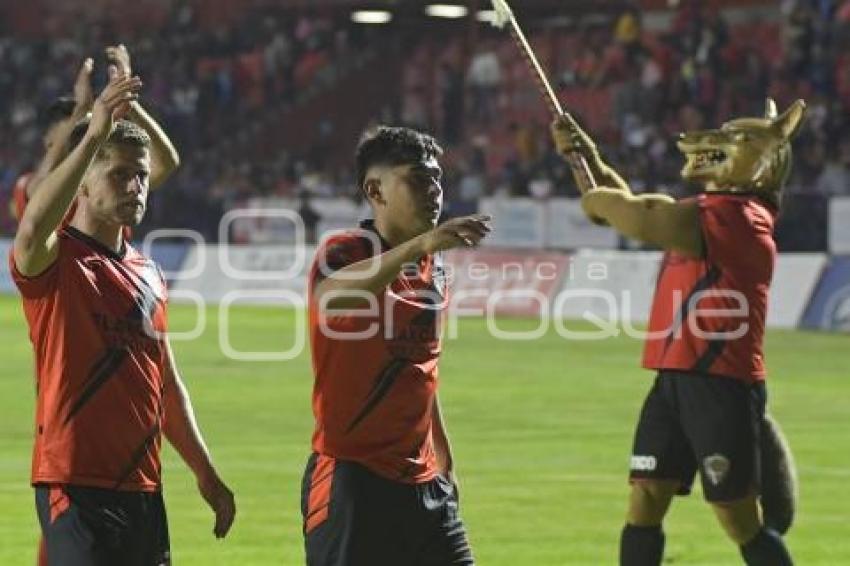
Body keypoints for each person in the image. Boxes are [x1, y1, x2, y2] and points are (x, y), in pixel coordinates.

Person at [552, 98, 806, 566]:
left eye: (738, 140)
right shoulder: (715, 209)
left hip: (719, 384)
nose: (718, 141)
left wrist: (598, 199)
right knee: (645, 501)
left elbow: (643, 215)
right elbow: (626, 208)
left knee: (738, 519)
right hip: (673, 379)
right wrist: (583, 159)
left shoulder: (742, 219)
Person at [10, 68, 235, 565]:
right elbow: (28, 235)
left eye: (141, 175)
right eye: (119, 174)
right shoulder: (58, 260)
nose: (137, 185)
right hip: (74, 484)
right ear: (83, 186)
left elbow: (167, 387)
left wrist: (205, 471)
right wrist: (93, 131)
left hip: (143, 487)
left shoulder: (150, 273)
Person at [302, 126, 491, 565]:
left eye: (437, 179)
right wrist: (420, 245)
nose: (434, 191)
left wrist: (445, 458)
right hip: (355, 479)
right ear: (375, 190)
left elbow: (421, 368)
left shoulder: (433, 265)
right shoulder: (347, 249)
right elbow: (330, 297)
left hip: (425, 483)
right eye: (418, 180)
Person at [12, 45, 180, 226]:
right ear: (48, 142)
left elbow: (164, 164)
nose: (82, 139)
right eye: (72, 133)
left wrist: (129, 101)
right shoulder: (31, 186)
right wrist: (80, 110)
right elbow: (40, 194)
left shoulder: (106, 179)